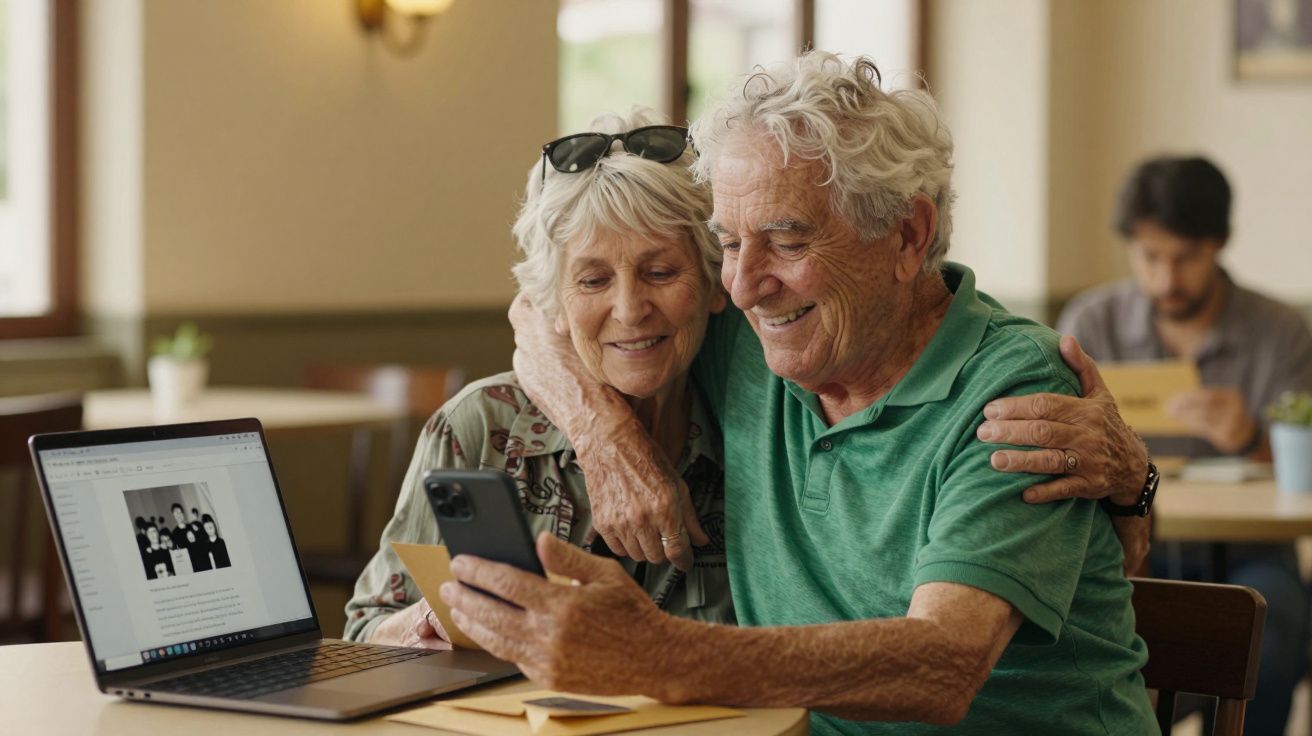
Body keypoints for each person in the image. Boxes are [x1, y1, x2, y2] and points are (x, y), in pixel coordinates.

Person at [443, 53, 1159, 734]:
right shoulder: (759, 334)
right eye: (727, 243)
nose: (746, 285)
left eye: (787, 241)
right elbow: (538, 316)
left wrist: (656, 653)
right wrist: (605, 438)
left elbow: (943, 666)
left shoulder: (1014, 390)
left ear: (908, 235)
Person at [345, 107, 736, 648]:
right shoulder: (482, 425)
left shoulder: (754, 425)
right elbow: (364, 633)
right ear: (551, 303)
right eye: (593, 279)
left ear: (716, 280)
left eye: (660, 272)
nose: (629, 309)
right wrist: (431, 621)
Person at [1059, 155, 1312, 735]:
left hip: (1249, 550)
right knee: (1094, 618)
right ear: (1130, 247)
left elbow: (1303, 468)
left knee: (1276, 617)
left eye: (1185, 259)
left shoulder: (1280, 332)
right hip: (1121, 540)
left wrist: (1250, 437)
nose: (1167, 279)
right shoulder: (1090, 323)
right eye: (1150, 258)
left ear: (1219, 244)